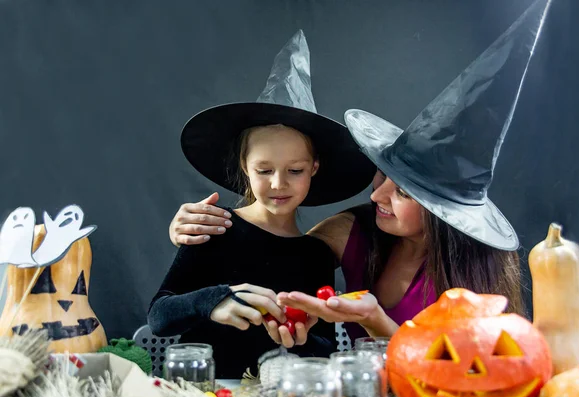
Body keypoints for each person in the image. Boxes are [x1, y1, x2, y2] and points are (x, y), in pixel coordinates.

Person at [165, 1, 546, 346]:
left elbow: (473, 371)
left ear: (443, 213)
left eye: (403, 193)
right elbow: (269, 250)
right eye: (382, 178)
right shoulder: (351, 233)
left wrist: (377, 322)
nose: (376, 195)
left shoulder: (476, 277)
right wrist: (191, 232)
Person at [147, 30, 374, 378]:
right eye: (264, 170)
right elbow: (159, 315)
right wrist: (215, 300)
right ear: (245, 168)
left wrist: (302, 339)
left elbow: (325, 344)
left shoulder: (314, 253)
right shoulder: (216, 226)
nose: (279, 183)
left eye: (295, 170)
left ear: (314, 169)